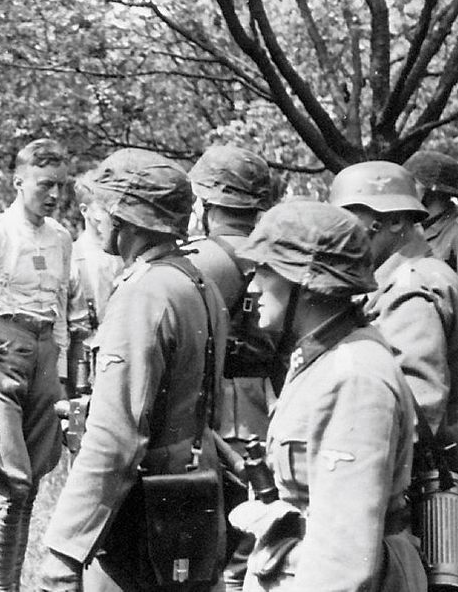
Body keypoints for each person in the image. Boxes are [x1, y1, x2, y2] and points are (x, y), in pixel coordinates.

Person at [39, 148, 228, 592]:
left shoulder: (144, 294)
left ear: (126, 219)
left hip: (142, 514)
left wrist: (66, 548)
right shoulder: (194, 281)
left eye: (104, 208)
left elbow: (115, 435)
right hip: (194, 497)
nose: (97, 219)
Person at [230, 199, 424, 591]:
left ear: (308, 284)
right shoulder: (322, 361)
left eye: (267, 270)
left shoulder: (353, 377)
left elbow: (344, 561)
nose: (253, 285)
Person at [0, 138, 85, 592]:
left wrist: (64, 377)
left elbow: (63, 311)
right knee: (13, 482)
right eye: (44, 184)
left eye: (60, 186)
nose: (53, 195)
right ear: (18, 181)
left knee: (32, 481)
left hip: (44, 356)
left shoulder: (62, 237)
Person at [185, 146, 277, 591]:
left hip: (214, 417)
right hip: (273, 406)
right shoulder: (283, 254)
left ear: (204, 204)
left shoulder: (198, 260)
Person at [330, 160, 458, 443]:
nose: (340, 234)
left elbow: (414, 414)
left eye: (349, 218)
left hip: (423, 478)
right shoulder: (397, 281)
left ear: (396, 220)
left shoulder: (411, 290)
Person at [67, 172, 123, 392]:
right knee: (76, 421)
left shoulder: (123, 256)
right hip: (81, 361)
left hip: (117, 355)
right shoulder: (72, 258)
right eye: (102, 208)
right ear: (84, 210)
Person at [403, 150, 458, 273]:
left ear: (432, 191)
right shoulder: (409, 228)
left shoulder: (457, 233)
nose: (405, 188)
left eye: (412, 183)